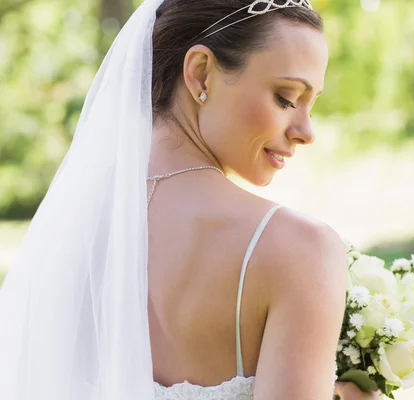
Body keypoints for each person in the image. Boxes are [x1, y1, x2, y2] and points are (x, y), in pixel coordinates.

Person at [0, 1, 381, 399]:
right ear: (200, 74)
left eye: (311, 103)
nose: (306, 131)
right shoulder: (299, 250)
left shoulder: (69, 230)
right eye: (286, 98)